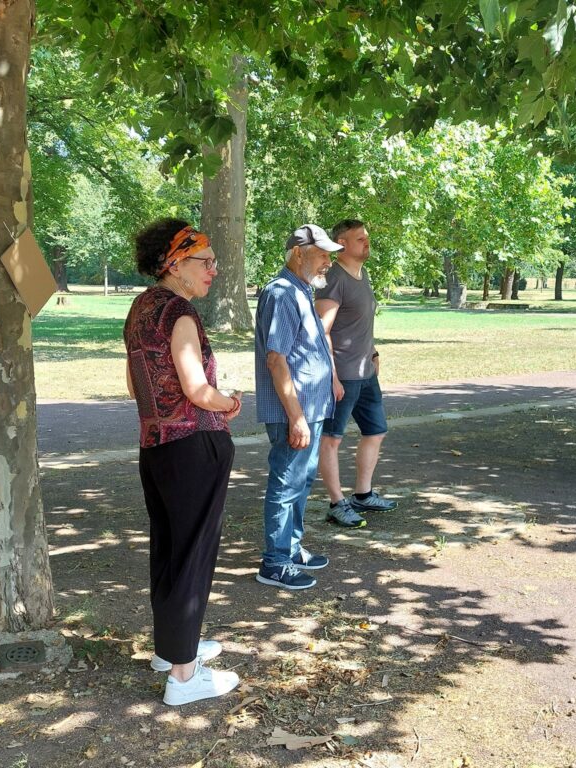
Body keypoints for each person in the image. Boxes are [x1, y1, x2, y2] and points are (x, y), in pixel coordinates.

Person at [123, 218, 242, 706]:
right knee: (193, 555)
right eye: (205, 260)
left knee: (170, 549)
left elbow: (134, 386)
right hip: (194, 446)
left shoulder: (141, 308)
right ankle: (185, 677)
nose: (214, 268)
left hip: (156, 448)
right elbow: (197, 389)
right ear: (175, 264)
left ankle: (172, 648)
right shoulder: (180, 314)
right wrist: (229, 401)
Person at [254, 224, 342, 591]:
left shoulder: (301, 290)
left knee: (302, 481)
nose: (327, 262)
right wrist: (296, 417)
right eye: (322, 254)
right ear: (297, 254)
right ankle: (274, 562)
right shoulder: (281, 294)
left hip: (310, 409)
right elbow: (277, 360)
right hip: (295, 412)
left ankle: (290, 547)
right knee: (287, 482)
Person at [315, 219, 398, 529]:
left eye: (367, 237)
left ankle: (363, 494)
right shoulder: (335, 279)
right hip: (342, 374)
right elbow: (322, 331)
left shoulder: (361, 276)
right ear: (342, 244)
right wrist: (332, 376)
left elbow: (360, 325)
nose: (367, 242)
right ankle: (337, 504)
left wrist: (373, 352)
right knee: (331, 439)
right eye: (360, 238)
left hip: (365, 371)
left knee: (375, 431)